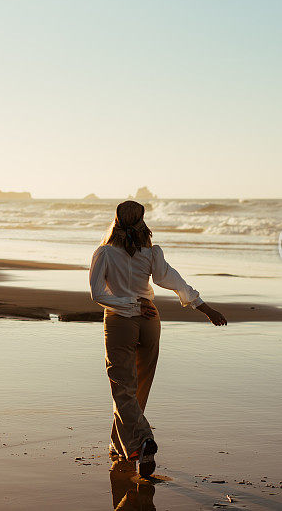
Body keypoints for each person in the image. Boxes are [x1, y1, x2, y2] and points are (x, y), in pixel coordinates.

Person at [89, 200, 227, 478]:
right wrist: (205, 308)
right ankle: (121, 446)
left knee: (123, 386)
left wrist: (128, 305)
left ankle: (142, 440)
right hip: (150, 319)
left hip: (121, 321)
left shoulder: (104, 253)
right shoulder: (151, 253)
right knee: (138, 387)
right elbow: (173, 279)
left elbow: (97, 295)